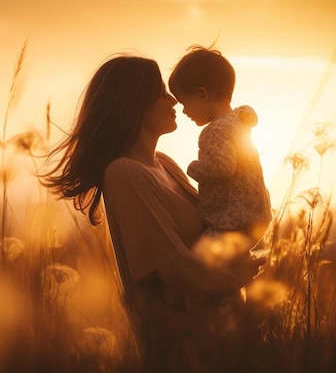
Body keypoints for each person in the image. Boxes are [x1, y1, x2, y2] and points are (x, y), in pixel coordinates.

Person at [42, 54, 264, 373]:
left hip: (222, 348)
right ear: (135, 104)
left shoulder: (166, 165)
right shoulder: (125, 174)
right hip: (184, 356)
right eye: (161, 92)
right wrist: (236, 276)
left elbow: (216, 229)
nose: (173, 98)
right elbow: (177, 275)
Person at [168, 46, 272, 276]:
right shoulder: (238, 120)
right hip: (255, 216)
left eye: (184, 103)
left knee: (196, 264)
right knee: (229, 266)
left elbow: (222, 167)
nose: (184, 111)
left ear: (202, 95)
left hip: (232, 220)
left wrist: (193, 168)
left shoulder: (214, 131)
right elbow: (248, 115)